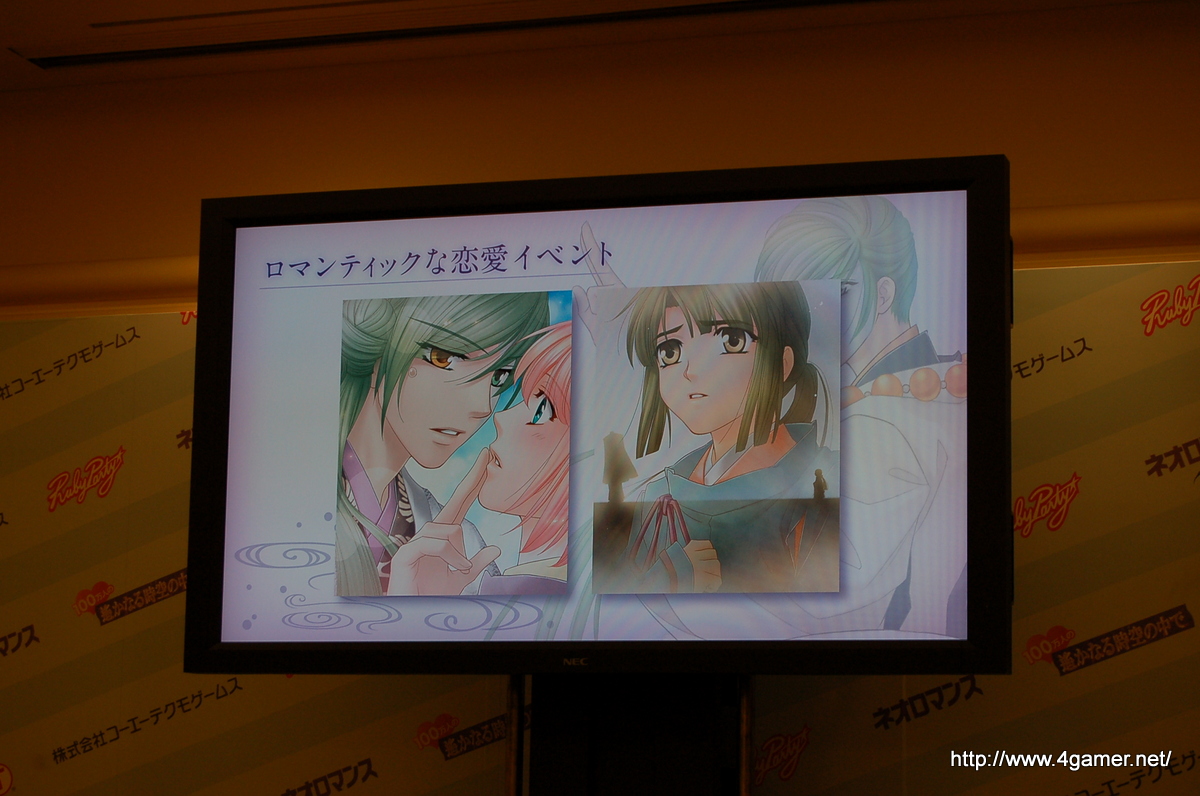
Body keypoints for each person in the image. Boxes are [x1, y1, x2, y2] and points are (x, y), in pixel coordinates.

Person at [753, 196, 968, 636]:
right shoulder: (925, 384)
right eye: (786, 304)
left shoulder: (882, 420)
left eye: (826, 294)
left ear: (883, 294)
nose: (798, 321)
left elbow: (816, 595)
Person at [611, 282, 840, 594]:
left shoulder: (824, 484)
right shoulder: (660, 493)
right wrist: (670, 577)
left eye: (731, 341)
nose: (690, 370)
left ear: (782, 363)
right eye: (670, 351)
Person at [334, 293, 549, 597]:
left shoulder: (459, 548)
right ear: (379, 351)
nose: (482, 406)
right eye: (443, 358)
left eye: (499, 376)